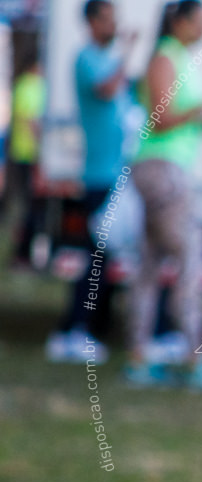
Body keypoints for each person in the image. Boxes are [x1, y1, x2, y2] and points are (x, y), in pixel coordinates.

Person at [126, 0, 202, 388]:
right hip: (163, 170)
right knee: (190, 259)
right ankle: (195, 361)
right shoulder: (165, 56)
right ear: (179, 20)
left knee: (150, 266)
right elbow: (161, 117)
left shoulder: (176, 57)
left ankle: (140, 358)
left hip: (160, 168)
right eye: (200, 21)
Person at [46, 0, 136, 364]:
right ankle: (74, 331)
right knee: (94, 258)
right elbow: (106, 89)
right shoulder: (87, 59)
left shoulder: (108, 60)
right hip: (98, 178)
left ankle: (91, 328)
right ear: (91, 21)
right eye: (108, 19)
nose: (114, 25)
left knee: (107, 258)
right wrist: (127, 53)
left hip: (117, 178)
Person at [6, 43, 46, 269]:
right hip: (31, 155)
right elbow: (32, 122)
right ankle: (22, 254)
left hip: (27, 154)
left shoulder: (26, 84)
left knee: (32, 207)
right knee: (32, 208)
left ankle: (25, 253)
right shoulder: (30, 85)